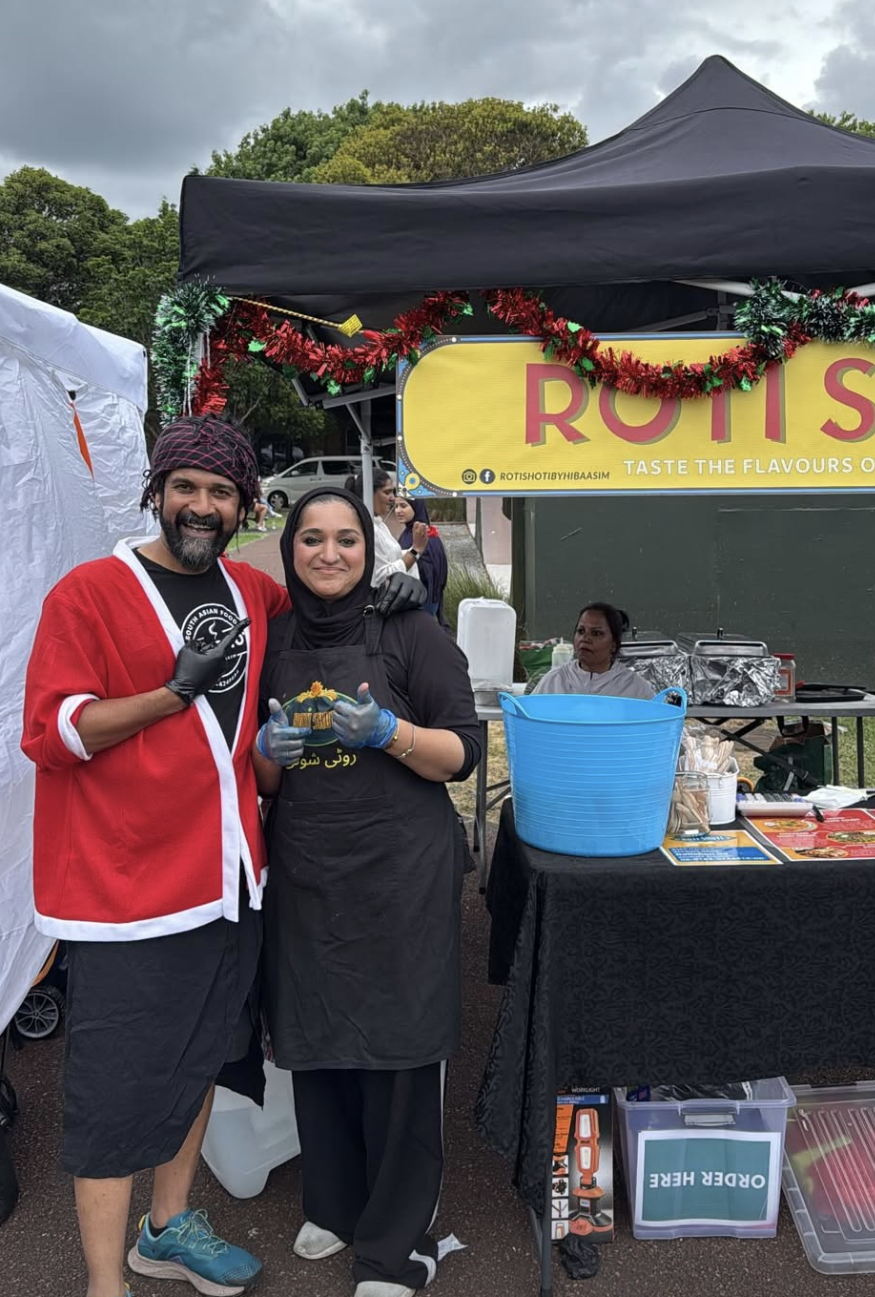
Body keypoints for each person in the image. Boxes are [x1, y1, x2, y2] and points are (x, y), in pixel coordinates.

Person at [20, 414, 425, 1297]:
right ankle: (103, 1280)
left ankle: (166, 1227)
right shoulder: (88, 593)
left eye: (221, 492)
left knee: (204, 1055)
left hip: (231, 878)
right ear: (156, 493)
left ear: (244, 504)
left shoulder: (250, 591)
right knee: (116, 1085)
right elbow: (53, 733)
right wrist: (170, 694)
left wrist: (396, 588)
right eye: (186, 488)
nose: (201, 505)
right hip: (128, 887)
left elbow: (324, 597)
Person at [253, 486, 480, 1297]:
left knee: (399, 1049)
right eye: (310, 538)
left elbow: (463, 752)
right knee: (315, 1043)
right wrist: (265, 751)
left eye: (345, 538)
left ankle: (391, 1242)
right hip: (310, 870)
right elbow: (269, 777)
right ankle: (336, 1205)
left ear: (369, 546)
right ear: (289, 550)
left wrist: (390, 732)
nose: (328, 553)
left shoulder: (410, 630)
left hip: (398, 874)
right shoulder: (275, 639)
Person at [533, 602, 655, 699]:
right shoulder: (554, 682)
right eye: (581, 631)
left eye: (596, 633)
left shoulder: (635, 689)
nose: (585, 639)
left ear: (614, 644)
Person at [346, 467, 426, 586]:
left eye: (393, 492)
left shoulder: (379, 524)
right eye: (387, 492)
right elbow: (382, 578)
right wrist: (415, 551)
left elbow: (392, 558)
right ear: (368, 494)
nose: (393, 498)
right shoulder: (367, 530)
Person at [392, 495, 449, 626]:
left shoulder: (422, 537)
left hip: (420, 604)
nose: (398, 511)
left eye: (403, 506)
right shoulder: (415, 532)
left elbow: (431, 573)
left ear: (416, 508)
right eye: (395, 506)